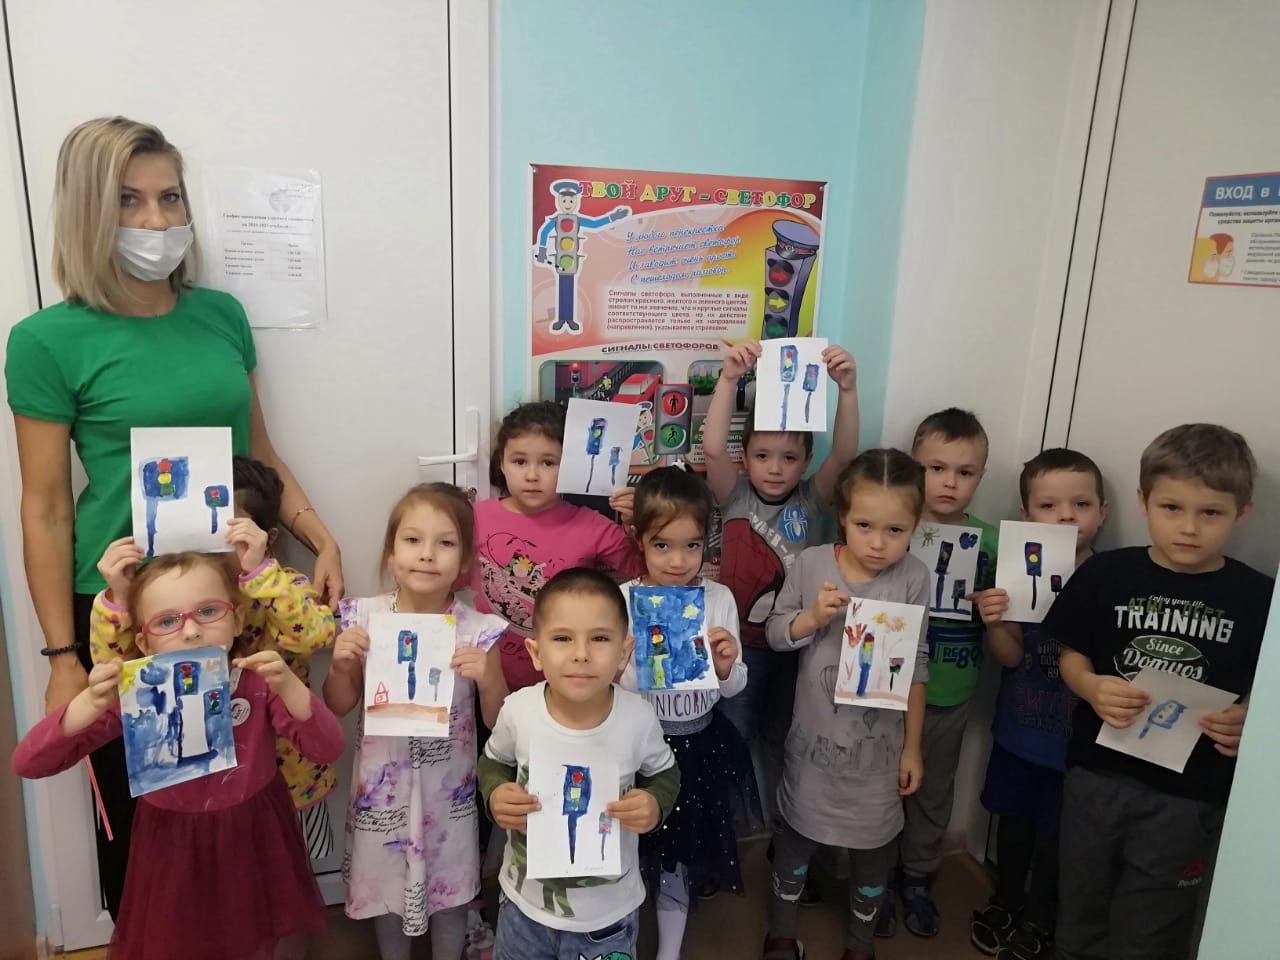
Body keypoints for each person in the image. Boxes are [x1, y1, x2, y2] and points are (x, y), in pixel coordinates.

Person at [3, 116, 343, 916]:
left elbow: (261, 451)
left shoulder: (219, 315)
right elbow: (44, 508)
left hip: (231, 600)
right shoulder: (47, 340)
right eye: (129, 200)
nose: (156, 221)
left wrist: (318, 536)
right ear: (89, 211)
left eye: (170, 198)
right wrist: (61, 653)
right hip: (129, 612)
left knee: (246, 802)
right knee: (153, 824)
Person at [11, 551, 344, 960]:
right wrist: (85, 706)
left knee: (262, 938)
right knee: (181, 941)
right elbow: (29, 762)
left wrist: (291, 687)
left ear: (237, 619)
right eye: (167, 621)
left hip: (255, 837)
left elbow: (327, 748)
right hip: (173, 848)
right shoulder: (137, 697)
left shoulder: (259, 684)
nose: (190, 631)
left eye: (208, 611)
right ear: (143, 641)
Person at [1050, 424, 1274, 960]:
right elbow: (1071, 654)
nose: (1189, 528)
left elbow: (1265, 688)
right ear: (1143, 501)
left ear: (1242, 512)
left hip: (1189, 794)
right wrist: (1091, 686)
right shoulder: (1107, 574)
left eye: (1211, 513)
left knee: (1153, 926)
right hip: (1098, 776)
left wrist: (1250, 716)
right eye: (1171, 508)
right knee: (1079, 905)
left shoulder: (1259, 598)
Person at [88, 456, 339, 859]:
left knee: (288, 875)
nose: (211, 548)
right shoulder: (166, 596)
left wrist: (260, 572)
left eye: (228, 534)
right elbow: (113, 668)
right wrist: (118, 597)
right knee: (218, 877)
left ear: (268, 538)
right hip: (201, 789)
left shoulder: (280, 585)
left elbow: (315, 634)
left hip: (287, 777)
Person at [323, 483, 508, 960]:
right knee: (385, 891)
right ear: (391, 551)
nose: (427, 554)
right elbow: (339, 704)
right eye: (412, 540)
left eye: (445, 543)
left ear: (464, 560)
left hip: (448, 797)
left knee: (450, 893)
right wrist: (342, 666)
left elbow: (498, 721)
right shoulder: (363, 618)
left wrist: (489, 679)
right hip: (381, 793)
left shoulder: (477, 630)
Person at [762, 449, 931, 960]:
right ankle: (782, 934)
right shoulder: (813, 564)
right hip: (813, 749)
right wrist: (813, 617)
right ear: (842, 516)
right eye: (864, 526)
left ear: (916, 526)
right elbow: (775, 634)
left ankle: (860, 944)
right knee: (794, 846)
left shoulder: (913, 576)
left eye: (896, 530)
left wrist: (913, 748)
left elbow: (917, 664)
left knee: (874, 856)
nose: (878, 543)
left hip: (878, 756)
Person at [479, 567, 680, 960]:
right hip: (523, 909)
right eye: (562, 638)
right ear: (536, 652)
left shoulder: (638, 718)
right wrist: (495, 793)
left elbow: (664, 773)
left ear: (624, 652)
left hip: (609, 918)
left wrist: (655, 804)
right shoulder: (519, 711)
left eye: (600, 638)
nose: (581, 653)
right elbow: (493, 762)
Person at [701, 339, 859, 825]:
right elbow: (712, 447)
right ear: (745, 457)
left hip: (798, 647)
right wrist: (729, 378)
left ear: (806, 461)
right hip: (739, 649)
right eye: (763, 455)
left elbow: (845, 453)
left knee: (785, 742)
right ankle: (724, 834)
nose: (774, 467)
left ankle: (788, 835)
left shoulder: (813, 500)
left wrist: (847, 390)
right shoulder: (734, 495)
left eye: (789, 458)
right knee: (732, 738)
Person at [616, 466, 759, 960]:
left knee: (677, 856)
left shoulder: (718, 599)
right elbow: (614, 690)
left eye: (691, 546)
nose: (677, 561)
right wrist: (624, 665)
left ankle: (669, 951)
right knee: (631, 847)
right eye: (662, 545)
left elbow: (735, 685)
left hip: (698, 744)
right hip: (638, 749)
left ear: (706, 544)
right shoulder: (624, 601)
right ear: (639, 539)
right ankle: (617, 936)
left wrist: (724, 667)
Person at [969, 449, 1107, 959]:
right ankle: (1007, 899)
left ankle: (1041, 918)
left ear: (1103, 512)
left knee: (1057, 836)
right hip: (1019, 733)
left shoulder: (1108, 578)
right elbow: (1010, 657)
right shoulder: (1017, 571)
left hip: (1075, 747)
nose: (1067, 516)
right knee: (1014, 823)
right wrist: (995, 622)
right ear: (1027, 515)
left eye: (1081, 504)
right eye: (1049, 506)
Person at [888, 407, 998, 938]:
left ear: (981, 476)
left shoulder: (991, 542)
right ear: (915, 467)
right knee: (880, 787)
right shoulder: (893, 530)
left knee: (932, 791)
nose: (950, 482)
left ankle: (917, 877)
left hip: (951, 691)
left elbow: (1010, 620)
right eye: (936, 468)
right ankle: (873, 876)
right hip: (887, 691)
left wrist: (996, 605)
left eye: (965, 472)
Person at [471, 400, 641, 693]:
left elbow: (647, 571)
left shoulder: (591, 525)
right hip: (489, 683)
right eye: (519, 461)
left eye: (548, 463)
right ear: (501, 463)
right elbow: (443, 580)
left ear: (570, 465)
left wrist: (638, 522)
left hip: (568, 684)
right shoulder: (475, 518)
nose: (532, 475)